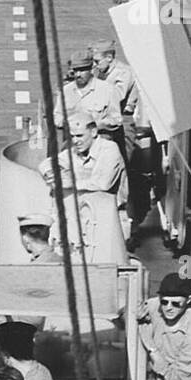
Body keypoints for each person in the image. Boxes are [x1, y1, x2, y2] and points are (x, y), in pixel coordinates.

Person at [39, 113, 128, 266]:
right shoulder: (74, 151)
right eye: (72, 136)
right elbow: (47, 164)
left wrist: (69, 182)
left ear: (93, 132)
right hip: (82, 222)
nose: (75, 141)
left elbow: (102, 183)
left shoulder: (110, 150)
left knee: (106, 272)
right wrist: (50, 174)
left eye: (79, 136)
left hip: (110, 224)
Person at [52, 48, 122, 137]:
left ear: (91, 69)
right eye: (75, 70)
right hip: (73, 140)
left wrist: (92, 125)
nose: (78, 75)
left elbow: (116, 120)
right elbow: (57, 116)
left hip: (99, 139)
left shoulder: (108, 89)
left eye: (82, 70)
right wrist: (68, 123)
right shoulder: (66, 91)